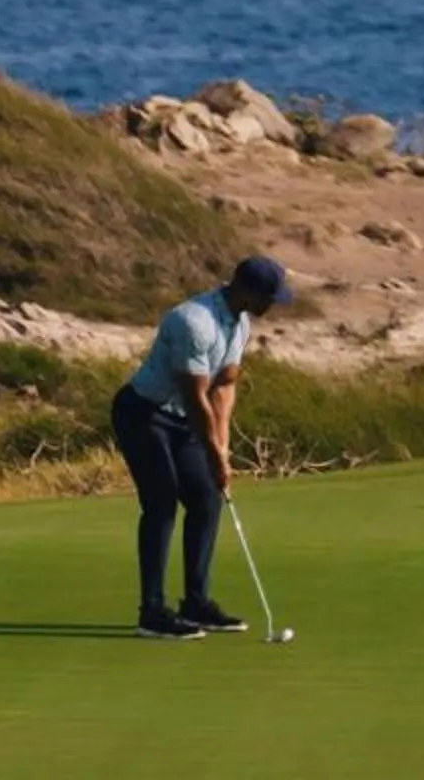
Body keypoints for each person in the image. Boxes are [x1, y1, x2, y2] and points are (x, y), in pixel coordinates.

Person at [112, 254, 292, 638]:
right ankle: (153, 612)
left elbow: (224, 384)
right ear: (245, 289)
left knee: (207, 496)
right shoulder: (194, 321)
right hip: (144, 413)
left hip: (182, 420)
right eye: (268, 297)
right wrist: (211, 450)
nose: (272, 306)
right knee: (162, 500)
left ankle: (195, 603)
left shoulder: (240, 322)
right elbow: (194, 397)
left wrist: (222, 448)